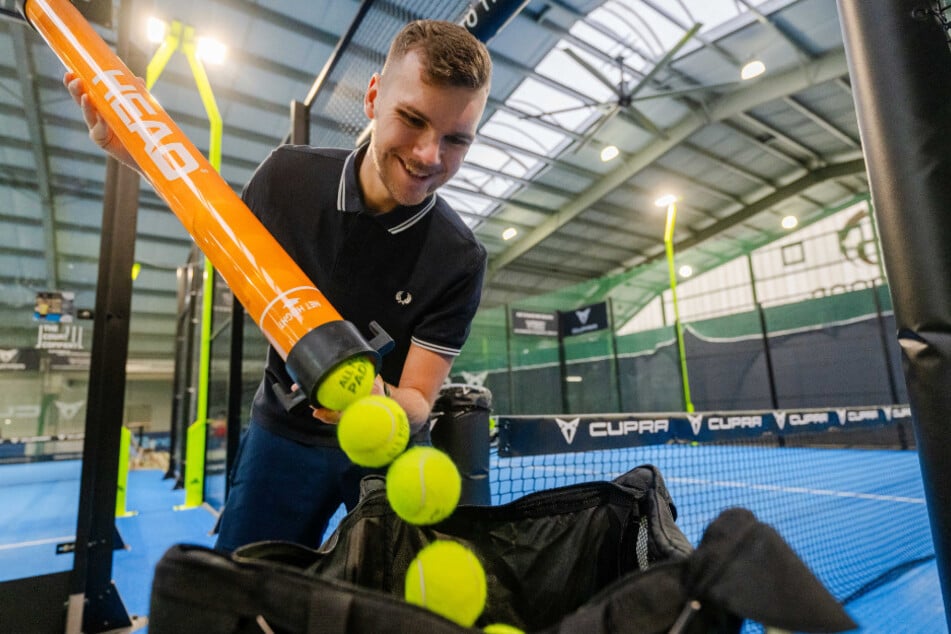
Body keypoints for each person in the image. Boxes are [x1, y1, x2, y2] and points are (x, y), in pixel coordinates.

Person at [65, 19, 492, 551]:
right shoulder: (286, 179)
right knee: (241, 590)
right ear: (375, 96)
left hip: (389, 450)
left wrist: (378, 400)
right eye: (412, 118)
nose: (430, 155)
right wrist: (132, 152)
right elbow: (210, 215)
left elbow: (417, 400)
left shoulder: (460, 258)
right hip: (283, 437)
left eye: (456, 139)